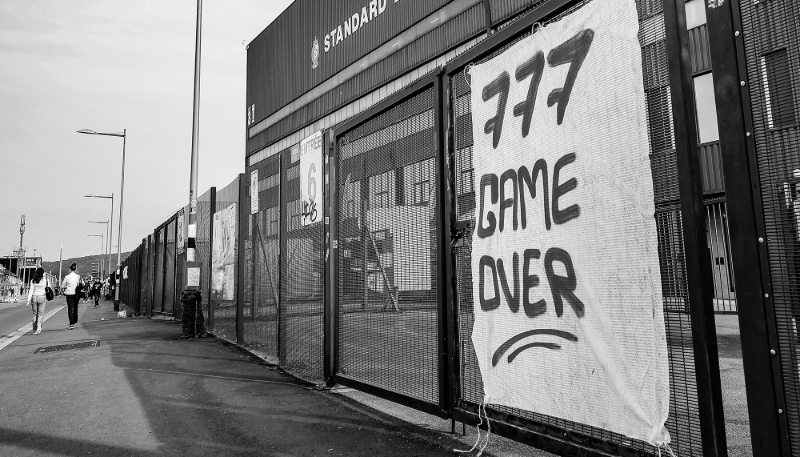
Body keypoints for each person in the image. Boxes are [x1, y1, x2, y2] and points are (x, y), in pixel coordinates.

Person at [26, 267, 50, 335]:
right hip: (42, 297)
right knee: (40, 314)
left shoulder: (33, 280)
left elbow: (31, 291)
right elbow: (49, 287)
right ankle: (39, 327)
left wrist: (28, 300)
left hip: (34, 297)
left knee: (35, 314)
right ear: (43, 273)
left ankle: (34, 329)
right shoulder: (45, 280)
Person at [61, 263, 81, 330]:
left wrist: (63, 288)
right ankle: (75, 320)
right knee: (75, 307)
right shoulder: (78, 276)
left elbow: (62, 286)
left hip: (69, 293)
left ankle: (71, 323)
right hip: (76, 294)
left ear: (70, 269)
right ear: (76, 269)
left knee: (70, 308)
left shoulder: (67, 277)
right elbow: (80, 284)